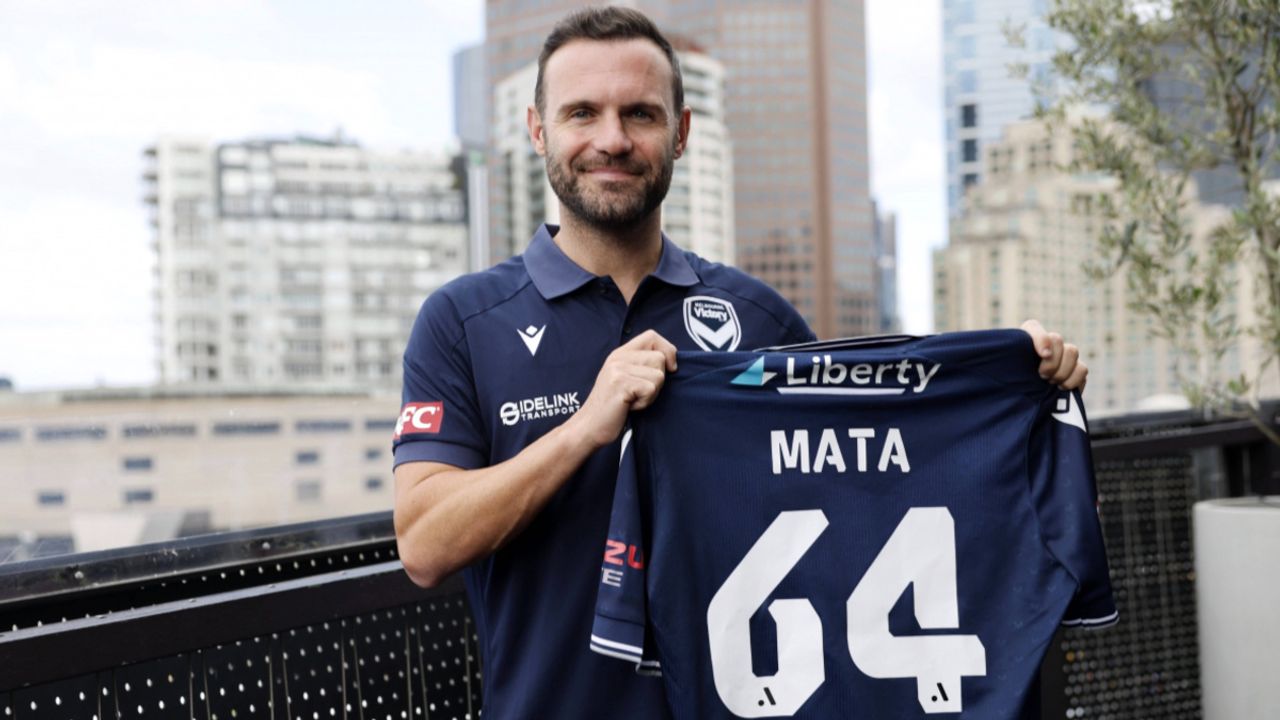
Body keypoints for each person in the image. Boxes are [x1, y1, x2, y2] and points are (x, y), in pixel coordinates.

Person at [392, 7, 1086, 719]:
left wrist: (1016, 381)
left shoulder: (760, 319)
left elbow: (881, 475)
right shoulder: (463, 322)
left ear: (681, 132)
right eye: (582, 113)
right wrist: (582, 431)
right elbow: (423, 544)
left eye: (640, 114)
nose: (613, 139)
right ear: (539, 130)